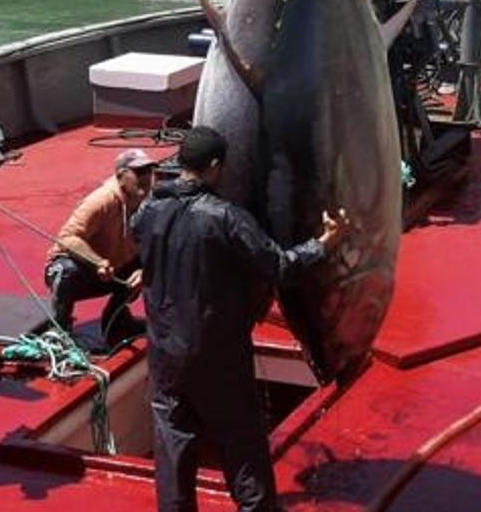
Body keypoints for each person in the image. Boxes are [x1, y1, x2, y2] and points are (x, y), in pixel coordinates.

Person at [130, 126, 348, 512]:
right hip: (218, 352)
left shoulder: (147, 211)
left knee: (173, 440)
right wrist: (325, 243)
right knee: (241, 439)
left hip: (165, 352)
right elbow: (279, 266)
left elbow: (145, 248)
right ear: (215, 166)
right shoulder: (226, 217)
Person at [44, 148, 155, 346]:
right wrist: (97, 261)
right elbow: (67, 238)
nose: (146, 178)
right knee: (66, 271)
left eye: (149, 171)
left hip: (117, 269)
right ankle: (60, 325)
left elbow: (158, 245)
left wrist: (145, 270)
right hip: (85, 269)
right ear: (121, 176)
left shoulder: (152, 203)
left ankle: (117, 318)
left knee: (153, 267)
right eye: (139, 173)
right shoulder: (102, 200)